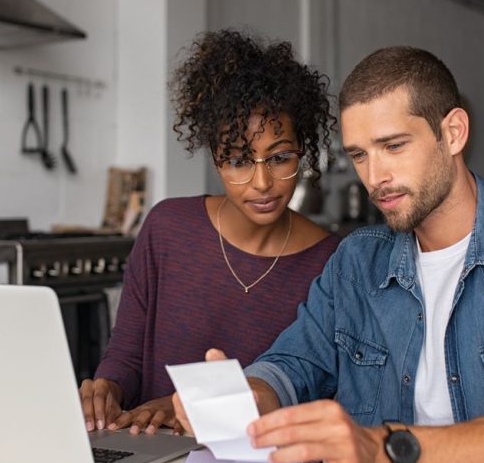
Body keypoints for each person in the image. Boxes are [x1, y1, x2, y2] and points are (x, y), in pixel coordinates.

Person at [175, 45, 484, 463]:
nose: (374, 177)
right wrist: (248, 396)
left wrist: (388, 453)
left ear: (453, 133)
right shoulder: (356, 261)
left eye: (393, 146)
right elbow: (293, 363)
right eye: (359, 155)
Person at [80, 29, 340, 435]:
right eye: (238, 161)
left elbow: (314, 390)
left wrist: (187, 407)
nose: (261, 183)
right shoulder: (167, 229)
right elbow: (127, 354)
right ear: (215, 160)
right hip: (147, 453)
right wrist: (107, 388)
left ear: (302, 152)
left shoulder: (332, 262)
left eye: (280, 157)